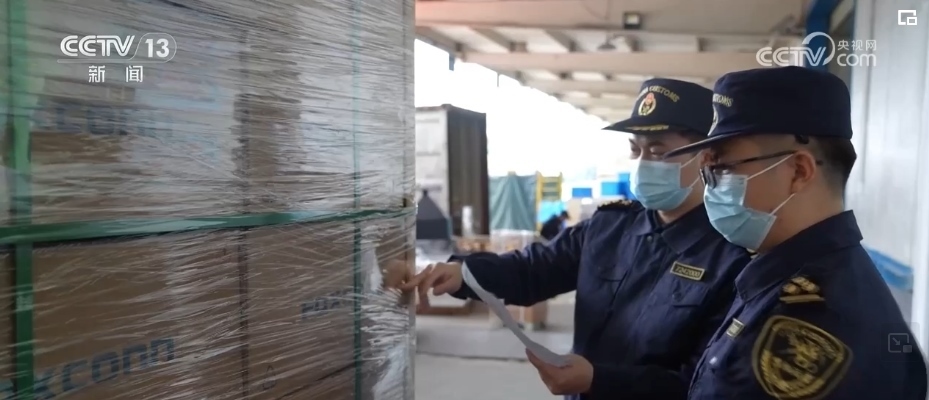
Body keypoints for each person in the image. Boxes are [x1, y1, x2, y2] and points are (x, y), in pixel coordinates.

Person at [402, 78, 754, 399]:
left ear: (706, 157)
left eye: (659, 151)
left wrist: (599, 380)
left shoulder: (732, 257)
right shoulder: (609, 227)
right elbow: (532, 270)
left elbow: (703, 383)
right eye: (636, 150)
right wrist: (463, 274)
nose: (643, 163)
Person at [662, 66, 928, 399]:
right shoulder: (792, 277)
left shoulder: (811, 321)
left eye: (721, 168)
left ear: (799, 171)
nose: (709, 188)